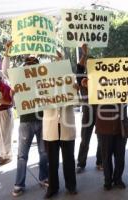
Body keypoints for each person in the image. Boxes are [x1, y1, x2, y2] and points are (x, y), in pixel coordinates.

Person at [1, 41, 49, 197]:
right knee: (22, 155)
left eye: (34, 62)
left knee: (44, 153)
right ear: (25, 65)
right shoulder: (19, 78)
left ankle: (44, 178)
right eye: (29, 62)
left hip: (42, 120)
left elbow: (58, 77)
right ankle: (19, 184)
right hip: (26, 122)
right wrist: (7, 52)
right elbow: (5, 71)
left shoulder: (44, 77)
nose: (31, 64)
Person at [42, 52, 77, 198]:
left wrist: (76, 90)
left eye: (60, 63)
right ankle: (53, 188)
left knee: (69, 159)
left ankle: (71, 186)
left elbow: (77, 101)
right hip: (50, 128)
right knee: (52, 161)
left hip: (66, 126)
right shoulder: (43, 82)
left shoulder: (71, 79)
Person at [76, 44, 102, 174]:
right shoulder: (82, 79)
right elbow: (79, 68)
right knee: (85, 139)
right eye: (87, 64)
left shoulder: (101, 79)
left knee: (101, 138)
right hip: (87, 114)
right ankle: (81, 163)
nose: (88, 65)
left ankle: (100, 162)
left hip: (101, 113)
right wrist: (84, 55)